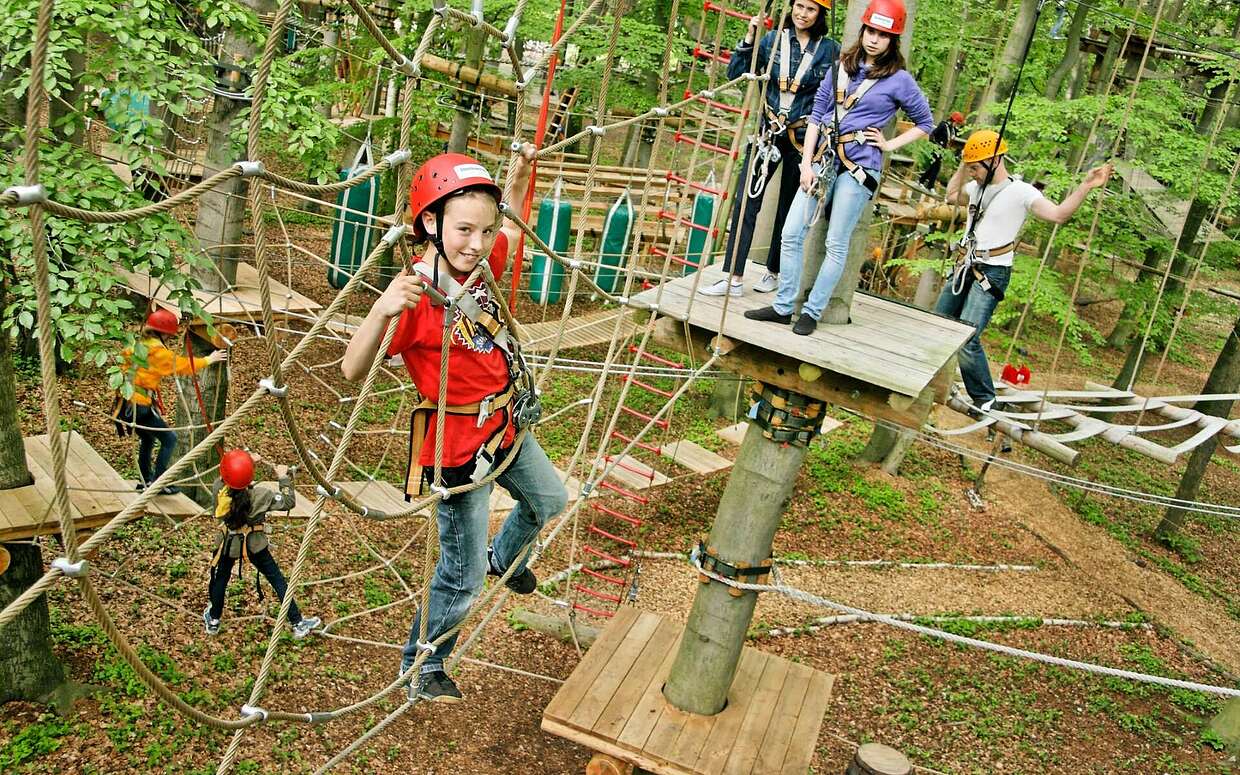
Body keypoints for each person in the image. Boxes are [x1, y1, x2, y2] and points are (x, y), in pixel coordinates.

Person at [342, 147, 568, 704]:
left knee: (550, 500)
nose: (477, 242)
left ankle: (504, 556)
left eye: (484, 231)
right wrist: (380, 309)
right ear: (430, 224)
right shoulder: (416, 297)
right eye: (464, 229)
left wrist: (512, 179)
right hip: (458, 447)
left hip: (506, 425)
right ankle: (424, 665)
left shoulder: (481, 265)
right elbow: (350, 370)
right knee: (458, 577)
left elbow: (508, 229)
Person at [746, 0, 933, 335]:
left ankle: (812, 312)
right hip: (823, 160)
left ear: (893, 41)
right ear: (863, 31)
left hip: (860, 167)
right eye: (870, 31)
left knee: (836, 242)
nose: (874, 39)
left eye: (883, 34)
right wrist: (806, 163)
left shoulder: (899, 80)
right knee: (791, 234)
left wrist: (889, 145)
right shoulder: (841, 66)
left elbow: (925, 122)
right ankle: (784, 305)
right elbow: (818, 114)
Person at [937, 129, 1113, 411]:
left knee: (968, 336)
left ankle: (986, 400)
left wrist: (1086, 186)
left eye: (975, 167)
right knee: (938, 323)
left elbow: (1058, 215)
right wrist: (963, 162)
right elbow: (950, 195)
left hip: (991, 272)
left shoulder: (1021, 192)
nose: (972, 173)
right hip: (965, 265)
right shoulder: (975, 188)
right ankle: (935, 380)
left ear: (994, 161)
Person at [698, 0, 838, 298]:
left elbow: (837, 97)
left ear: (820, 15)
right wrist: (750, 37)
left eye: (811, 9)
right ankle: (733, 276)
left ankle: (774, 271)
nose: (802, 13)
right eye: (799, 6)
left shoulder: (829, 50)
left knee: (788, 206)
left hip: (803, 138)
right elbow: (736, 72)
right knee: (746, 199)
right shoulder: (773, 41)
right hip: (769, 132)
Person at [204, 449, 321, 640]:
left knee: (221, 579)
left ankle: (214, 619)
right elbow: (288, 501)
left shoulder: (219, 488)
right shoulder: (261, 495)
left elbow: (230, 478)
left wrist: (249, 462)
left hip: (228, 544)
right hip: (254, 544)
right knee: (276, 579)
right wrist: (283, 478)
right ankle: (297, 622)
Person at [113, 309, 226, 494]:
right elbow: (181, 365)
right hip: (139, 405)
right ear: (164, 333)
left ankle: (145, 481)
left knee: (148, 439)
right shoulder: (157, 352)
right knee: (170, 439)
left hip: (127, 402)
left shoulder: (138, 345)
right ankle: (158, 483)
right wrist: (208, 359)